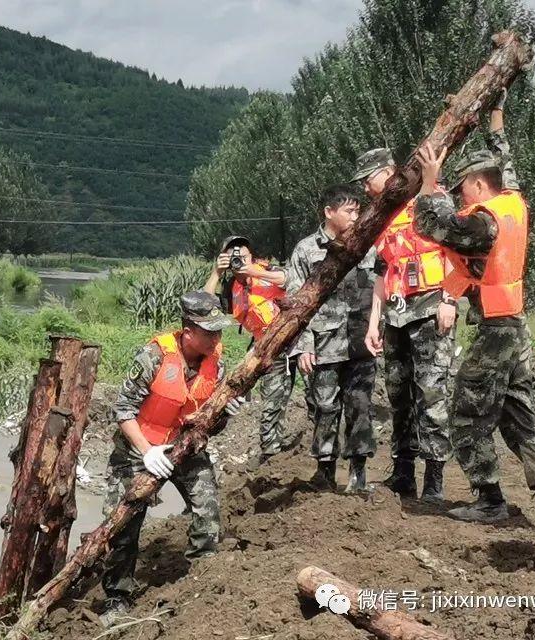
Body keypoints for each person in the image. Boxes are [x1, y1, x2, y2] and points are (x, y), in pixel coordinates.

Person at [413, 89, 535, 540]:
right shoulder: (514, 201)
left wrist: (430, 186)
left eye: (462, 187)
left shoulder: (485, 220)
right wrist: (496, 113)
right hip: (517, 328)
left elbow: (436, 225)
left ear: (478, 185)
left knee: (467, 415)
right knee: (515, 414)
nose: (460, 194)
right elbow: (504, 159)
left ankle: (489, 500)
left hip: (497, 332)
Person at [99, 291, 246, 626]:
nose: (216, 338)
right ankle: (116, 599)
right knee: (123, 525)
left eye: (219, 331)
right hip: (139, 450)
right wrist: (147, 451)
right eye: (210, 332)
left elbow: (210, 425)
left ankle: (200, 580)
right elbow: (123, 410)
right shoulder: (152, 357)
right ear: (188, 331)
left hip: (184, 448)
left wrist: (225, 414)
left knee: (208, 513)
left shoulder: (217, 365)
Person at [353, 147, 455, 502]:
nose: (365, 189)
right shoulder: (383, 216)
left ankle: (435, 479)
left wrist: (450, 301)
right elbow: (382, 272)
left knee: (432, 394)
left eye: (368, 180)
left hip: (430, 309)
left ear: (387, 172)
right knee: (399, 396)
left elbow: (457, 254)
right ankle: (403, 472)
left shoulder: (432, 198)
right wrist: (374, 322)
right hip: (396, 315)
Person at [285, 184, 378, 494]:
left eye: (357, 210)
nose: (355, 216)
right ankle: (325, 469)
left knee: (359, 406)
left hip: (361, 342)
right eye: (349, 211)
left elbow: (383, 286)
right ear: (329, 212)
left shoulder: (368, 246)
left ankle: (358, 473)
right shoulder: (307, 250)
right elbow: (296, 304)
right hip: (324, 344)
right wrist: (304, 345)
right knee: (324, 407)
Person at [203, 235, 299, 465]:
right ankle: (271, 454)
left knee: (316, 397)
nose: (238, 261)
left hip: (296, 340)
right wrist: (217, 272)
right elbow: (203, 303)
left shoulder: (265, 270)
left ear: (251, 256)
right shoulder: (232, 287)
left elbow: (288, 277)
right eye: (233, 257)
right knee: (272, 400)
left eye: (243, 256)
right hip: (267, 348)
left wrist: (254, 272)